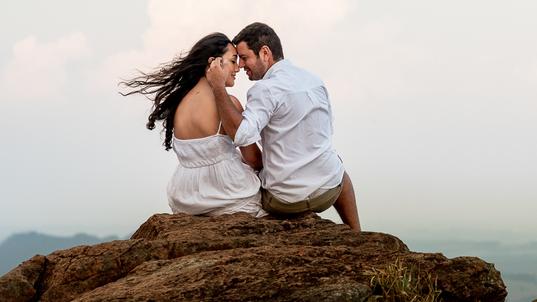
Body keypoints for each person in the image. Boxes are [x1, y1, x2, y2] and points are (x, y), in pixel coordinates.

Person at [205, 22, 361, 230]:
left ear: (265, 53)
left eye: (244, 57)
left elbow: (242, 135)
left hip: (284, 201)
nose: (241, 65)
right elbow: (325, 133)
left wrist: (217, 87)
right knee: (338, 168)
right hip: (328, 191)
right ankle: (356, 231)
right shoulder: (314, 81)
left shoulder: (265, 89)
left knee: (241, 172)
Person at [121, 32, 265, 218]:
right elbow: (254, 159)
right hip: (226, 193)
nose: (237, 68)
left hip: (185, 196)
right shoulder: (229, 104)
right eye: (233, 61)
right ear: (214, 63)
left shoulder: (178, 102)